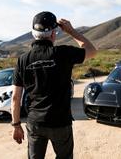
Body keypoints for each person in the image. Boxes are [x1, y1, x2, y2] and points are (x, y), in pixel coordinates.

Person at [11, 11, 97, 159]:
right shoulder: (63, 53)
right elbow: (92, 51)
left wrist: (16, 125)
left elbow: (15, 98)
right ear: (53, 34)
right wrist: (71, 31)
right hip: (60, 122)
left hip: (35, 123)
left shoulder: (23, 60)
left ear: (33, 33)